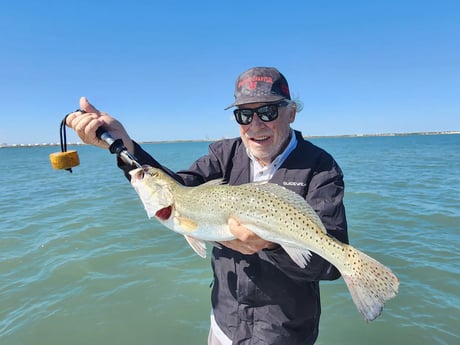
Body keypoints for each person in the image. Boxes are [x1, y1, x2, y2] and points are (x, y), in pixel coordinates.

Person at [66, 67, 349, 345]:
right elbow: (176, 188)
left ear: (291, 113)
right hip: (225, 323)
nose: (256, 125)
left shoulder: (321, 168)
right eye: (244, 115)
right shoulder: (223, 155)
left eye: (268, 112)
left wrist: (272, 245)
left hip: (285, 333)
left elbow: (329, 267)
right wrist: (125, 145)